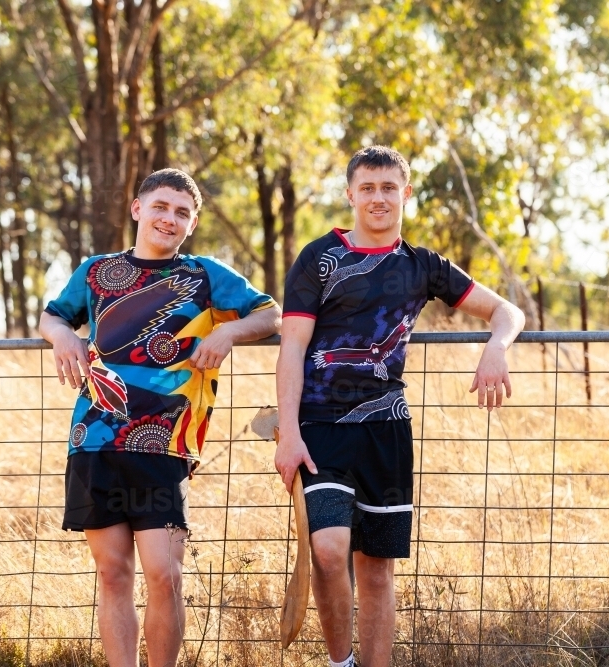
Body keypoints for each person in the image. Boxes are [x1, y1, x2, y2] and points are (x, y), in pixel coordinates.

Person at [274, 146, 525, 667]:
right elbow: (292, 347)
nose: (378, 197)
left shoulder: (422, 265)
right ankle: (340, 663)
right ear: (350, 195)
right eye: (367, 188)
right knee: (327, 551)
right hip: (320, 428)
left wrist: (496, 347)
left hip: (386, 432)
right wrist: (290, 433)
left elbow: (506, 310)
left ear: (406, 194)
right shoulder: (318, 258)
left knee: (377, 568)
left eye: (389, 187)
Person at [40, 168, 281, 667]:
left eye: (181, 213)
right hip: (95, 440)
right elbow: (53, 314)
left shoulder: (204, 275)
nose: (169, 219)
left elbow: (271, 312)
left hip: (165, 444)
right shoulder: (95, 271)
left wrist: (228, 334)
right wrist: (62, 335)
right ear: (137, 209)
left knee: (165, 575)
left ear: (190, 224)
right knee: (112, 574)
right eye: (160, 207)